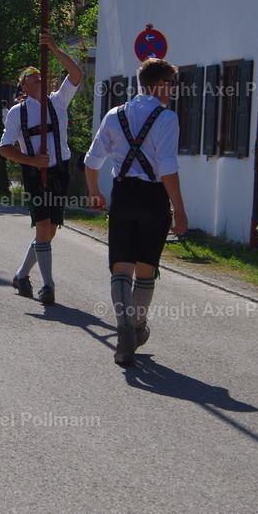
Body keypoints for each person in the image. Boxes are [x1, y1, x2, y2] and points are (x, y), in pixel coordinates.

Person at [84, 58, 187, 367]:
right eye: (171, 83)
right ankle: (137, 326)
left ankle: (124, 330)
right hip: (154, 198)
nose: (173, 89)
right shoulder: (167, 117)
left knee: (120, 267)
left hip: (123, 194)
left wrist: (94, 192)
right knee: (145, 269)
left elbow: (92, 160)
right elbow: (167, 168)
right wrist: (179, 210)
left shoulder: (115, 114)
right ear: (160, 84)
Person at [0, 31, 84, 306]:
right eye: (32, 75)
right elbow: (4, 147)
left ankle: (21, 275)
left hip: (59, 172)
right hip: (35, 174)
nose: (38, 75)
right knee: (43, 225)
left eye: (40, 73)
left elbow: (77, 73)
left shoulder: (58, 101)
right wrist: (31, 160)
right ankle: (48, 286)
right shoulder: (17, 112)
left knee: (49, 231)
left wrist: (54, 48)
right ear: (24, 85)